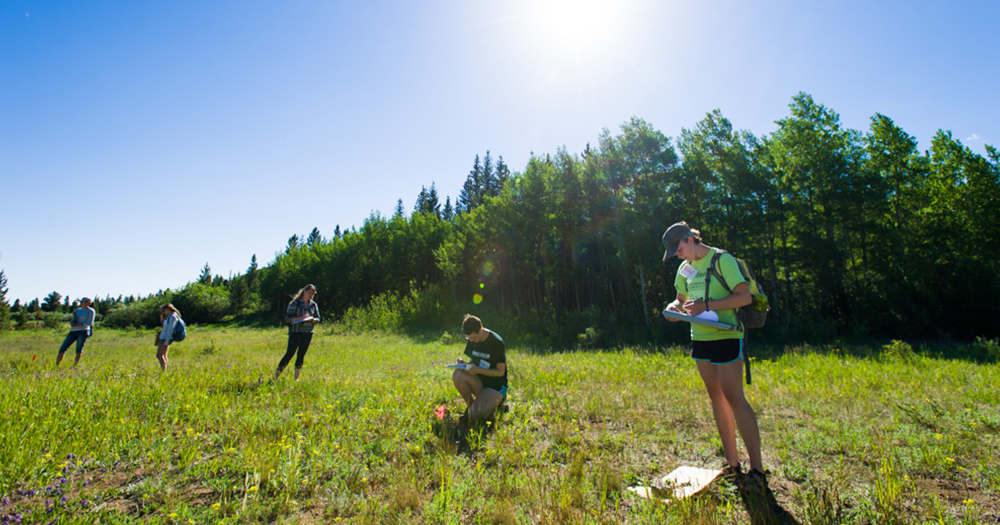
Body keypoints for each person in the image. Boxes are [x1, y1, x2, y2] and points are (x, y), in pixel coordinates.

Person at [661, 221, 768, 491]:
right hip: (700, 339)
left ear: (690, 239)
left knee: (734, 397)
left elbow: (743, 297)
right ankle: (733, 465)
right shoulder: (684, 269)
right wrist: (674, 308)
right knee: (716, 398)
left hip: (728, 335)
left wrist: (706, 305)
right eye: (674, 251)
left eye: (679, 247)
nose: (677, 254)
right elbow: (680, 298)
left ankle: (757, 471)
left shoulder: (722, 260)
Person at [452, 314, 508, 421]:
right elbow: (473, 361)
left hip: (495, 386)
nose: (471, 341)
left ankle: (497, 405)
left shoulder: (496, 342)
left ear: (480, 330)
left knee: (474, 417)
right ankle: (472, 406)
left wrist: (477, 370)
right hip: (479, 382)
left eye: (473, 338)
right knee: (457, 375)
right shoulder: (473, 340)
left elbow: (500, 372)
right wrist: (464, 365)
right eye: (468, 338)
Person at [275, 284, 320, 381]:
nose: (310, 295)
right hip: (296, 332)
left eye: (312, 294)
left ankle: (296, 378)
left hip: (308, 333)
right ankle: (277, 375)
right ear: (304, 292)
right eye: (309, 293)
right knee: (290, 353)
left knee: (301, 355)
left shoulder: (313, 305)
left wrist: (314, 320)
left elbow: (318, 317)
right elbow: (288, 319)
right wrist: (301, 318)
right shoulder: (295, 303)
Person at [56, 297, 96, 367]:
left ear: (88, 303)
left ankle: (75, 365)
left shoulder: (91, 311)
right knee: (63, 348)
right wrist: (72, 323)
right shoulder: (77, 310)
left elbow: (89, 323)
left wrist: (78, 324)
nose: (81, 303)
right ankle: (57, 365)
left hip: (83, 331)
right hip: (73, 331)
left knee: (79, 349)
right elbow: (72, 319)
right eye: (81, 301)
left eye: (83, 301)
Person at [156, 303, 182, 372]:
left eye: (164, 310)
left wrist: (167, 340)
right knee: (163, 355)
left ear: (168, 309)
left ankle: (163, 371)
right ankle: (164, 370)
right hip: (164, 338)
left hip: (165, 338)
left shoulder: (173, 317)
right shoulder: (171, 316)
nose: (163, 312)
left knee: (159, 355)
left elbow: (171, 329)